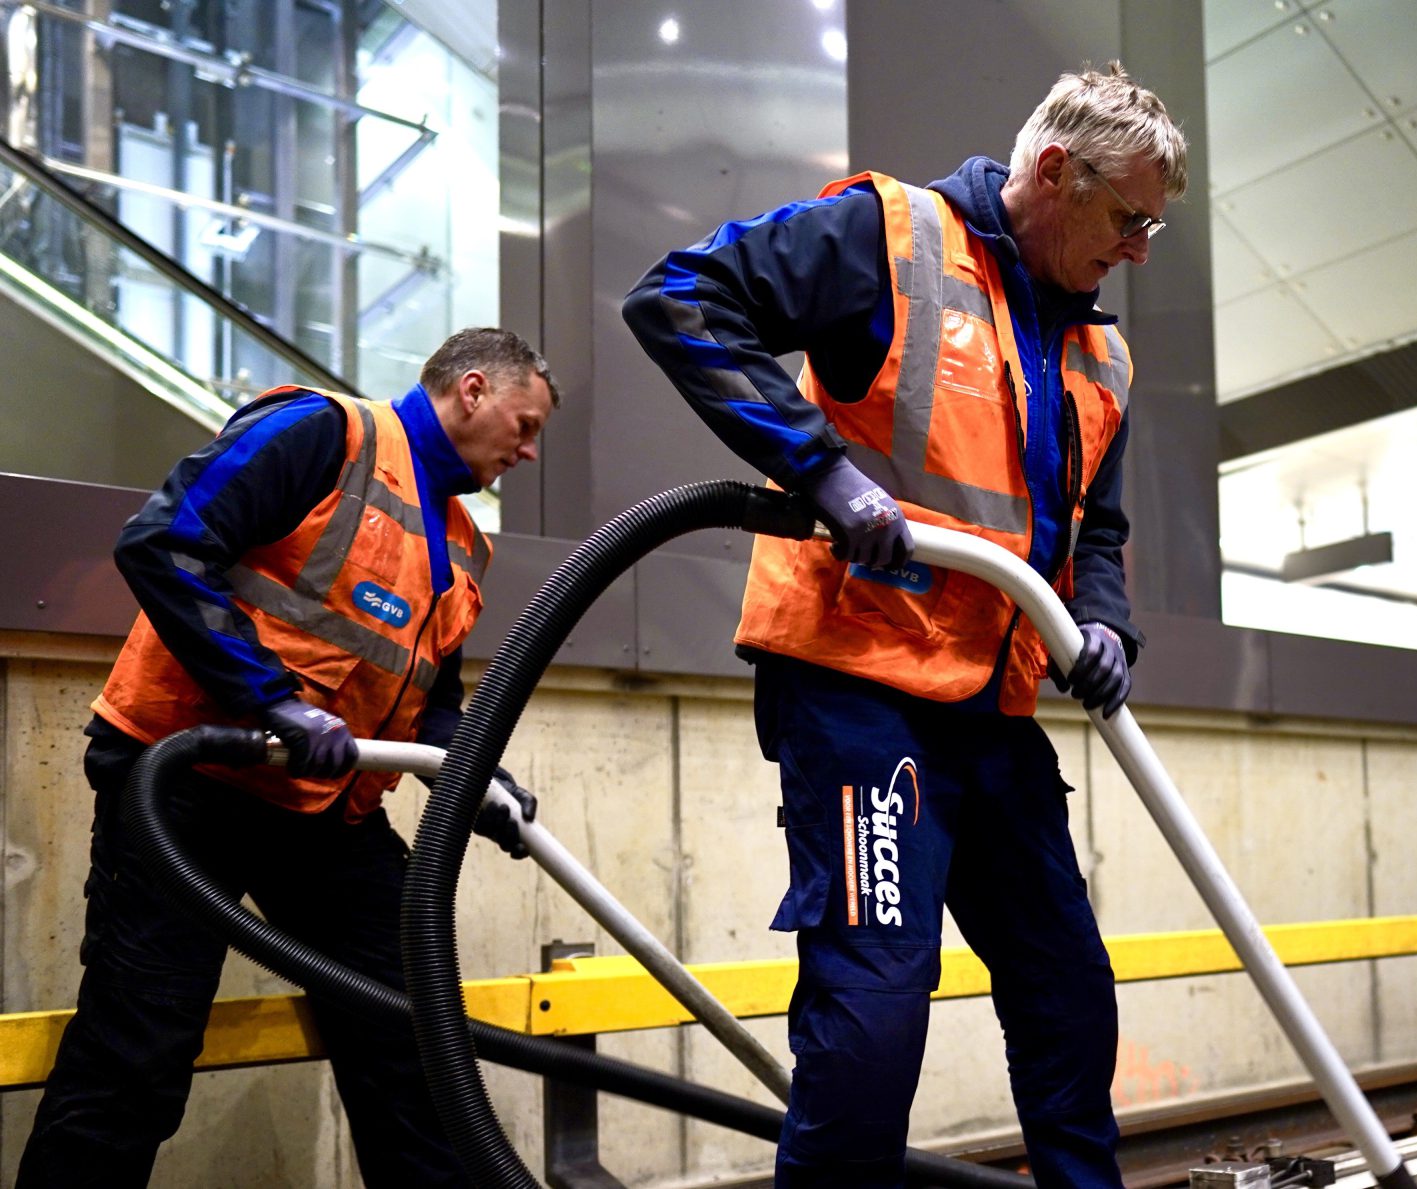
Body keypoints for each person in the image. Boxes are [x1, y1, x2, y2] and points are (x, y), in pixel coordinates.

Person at [623, 62, 1184, 1188]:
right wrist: (822, 476)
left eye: (1153, 229)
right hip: (858, 686)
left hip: (993, 705)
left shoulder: (1102, 353)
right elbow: (677, 299)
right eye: (1128, 218)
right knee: (876, 1011)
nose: (1138, 249)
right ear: (1054, 171)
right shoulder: (890, 237)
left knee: (1069, 1000)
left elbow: (1098, 530)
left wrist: (1105, 624)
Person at [18, 329, 557, 1188]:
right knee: (138, 1049)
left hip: (325, 813)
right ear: (474, 390)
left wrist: (475, 772)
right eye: (524, 425)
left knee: (415, 1040)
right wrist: (268, 696)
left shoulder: (462, 546)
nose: (527, 451)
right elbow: (163, 541)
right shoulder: (322, 435)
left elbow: (432, 699)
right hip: (186, 783)